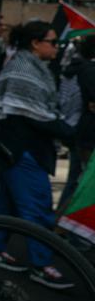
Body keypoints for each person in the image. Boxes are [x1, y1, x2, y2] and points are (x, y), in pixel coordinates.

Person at [0, 21, 74, 290]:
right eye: (53, 42)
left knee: (8, 202)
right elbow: (35, 113)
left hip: (18, 149)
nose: (57, 47)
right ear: (36, 43)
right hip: (23, 150)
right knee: (36, 207)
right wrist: (70, 131)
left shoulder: (31, 66)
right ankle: (41, 264)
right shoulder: (23, 69)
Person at [58, 36, 95, 212]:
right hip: (88, 133)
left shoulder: (80, 68)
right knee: (85, 183)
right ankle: (63, 220)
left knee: (76, 180)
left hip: (80, 130)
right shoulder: (90, 70)